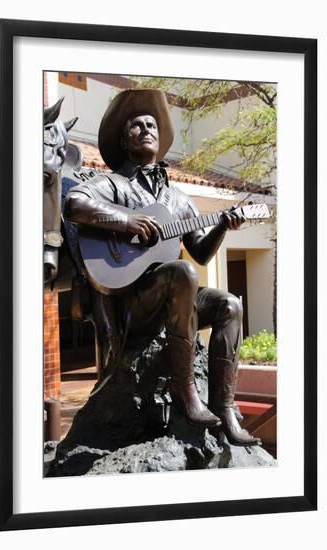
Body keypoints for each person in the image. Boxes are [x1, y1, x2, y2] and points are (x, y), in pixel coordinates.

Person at [64, 89, 260, 446]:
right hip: (133, 303)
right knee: (182, 274)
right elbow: (74, 204)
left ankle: (225, 409)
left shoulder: (178, 199)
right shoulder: (111, 183)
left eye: (151, 124)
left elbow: (199, 252)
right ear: (124, 141)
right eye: (136, 126)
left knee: (230, 304)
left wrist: (222, 225)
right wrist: (125, 221)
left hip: (176, 302)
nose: (146, 129)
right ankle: (187, 396)